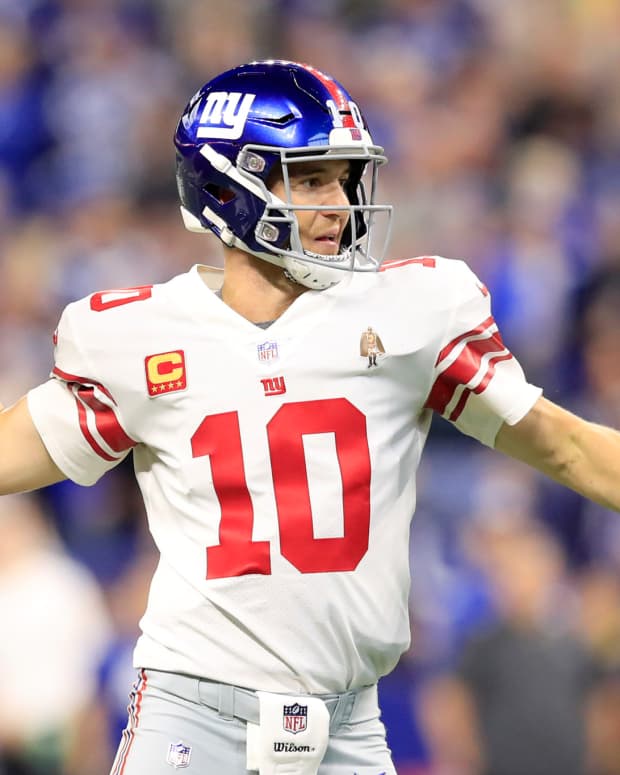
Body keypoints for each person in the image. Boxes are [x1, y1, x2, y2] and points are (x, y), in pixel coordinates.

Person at [0, 59, 619, 775]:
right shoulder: (142, 336)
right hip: (194, 717)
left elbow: (569, 449)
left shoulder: (408, 315)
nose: (340, 203)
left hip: (347, 722)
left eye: (345, 177)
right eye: (313, 177)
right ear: (231, 184)